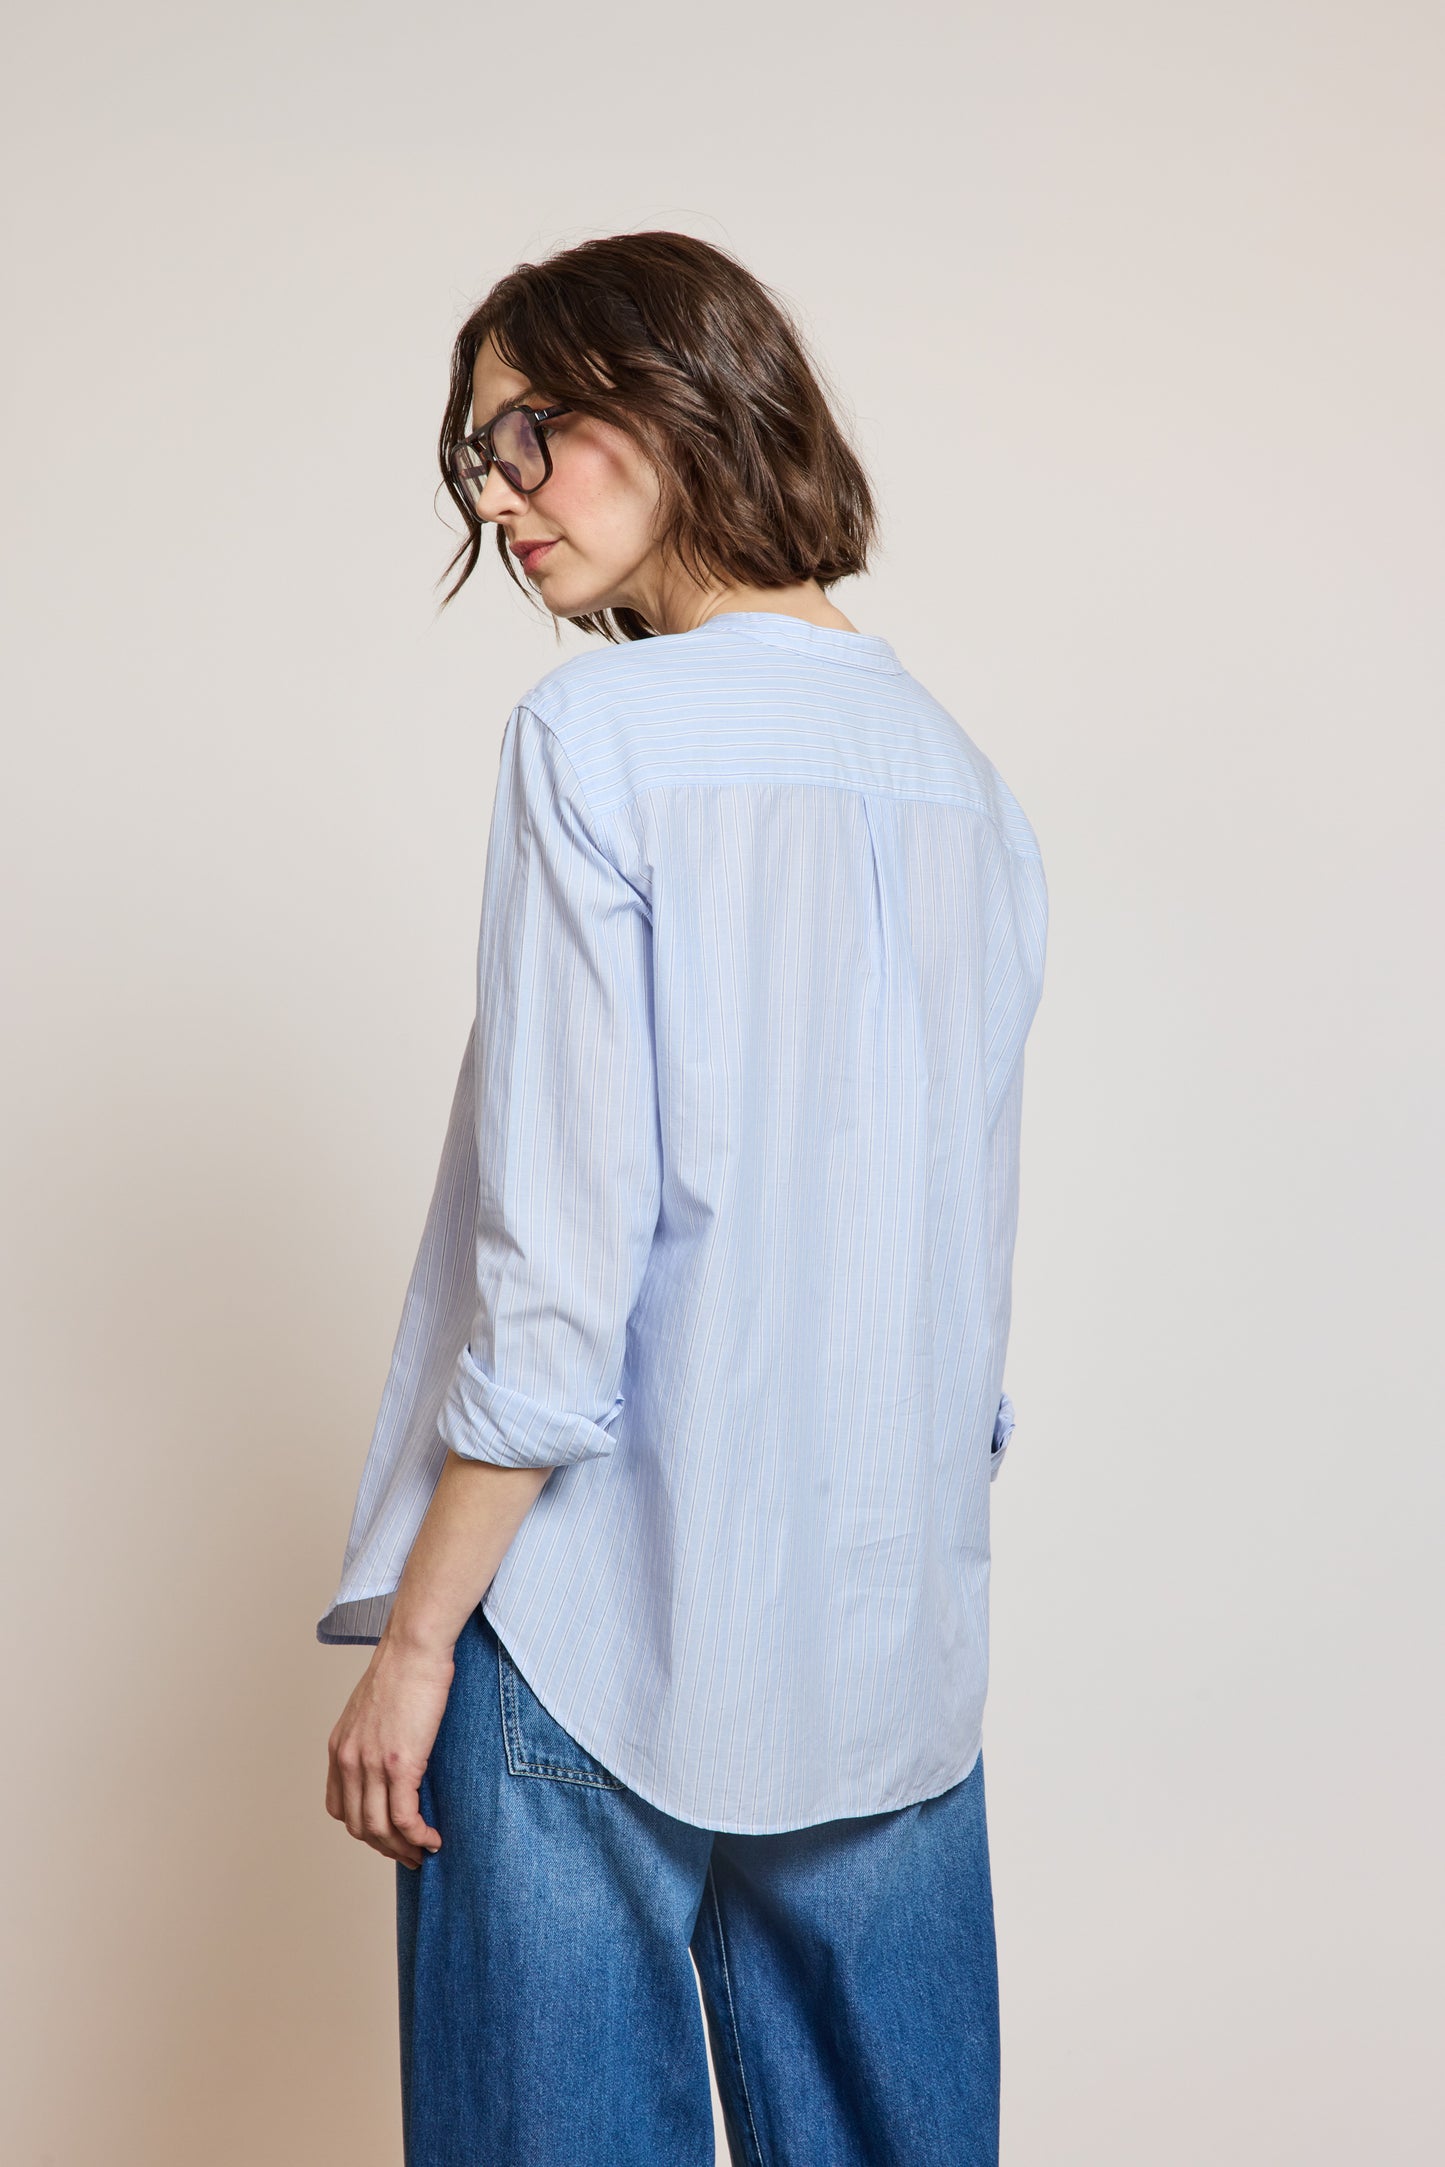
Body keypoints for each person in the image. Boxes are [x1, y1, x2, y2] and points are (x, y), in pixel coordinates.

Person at [317, 230, 1048, 2167]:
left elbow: (561, 1269)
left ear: (675, 400)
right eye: (474, 460)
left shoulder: (595, 738)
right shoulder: (964, 782)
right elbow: (956, 1267)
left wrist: (415, 1642)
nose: (498, 498)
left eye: (525, 436)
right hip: (884, 1633)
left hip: (588, 1616)